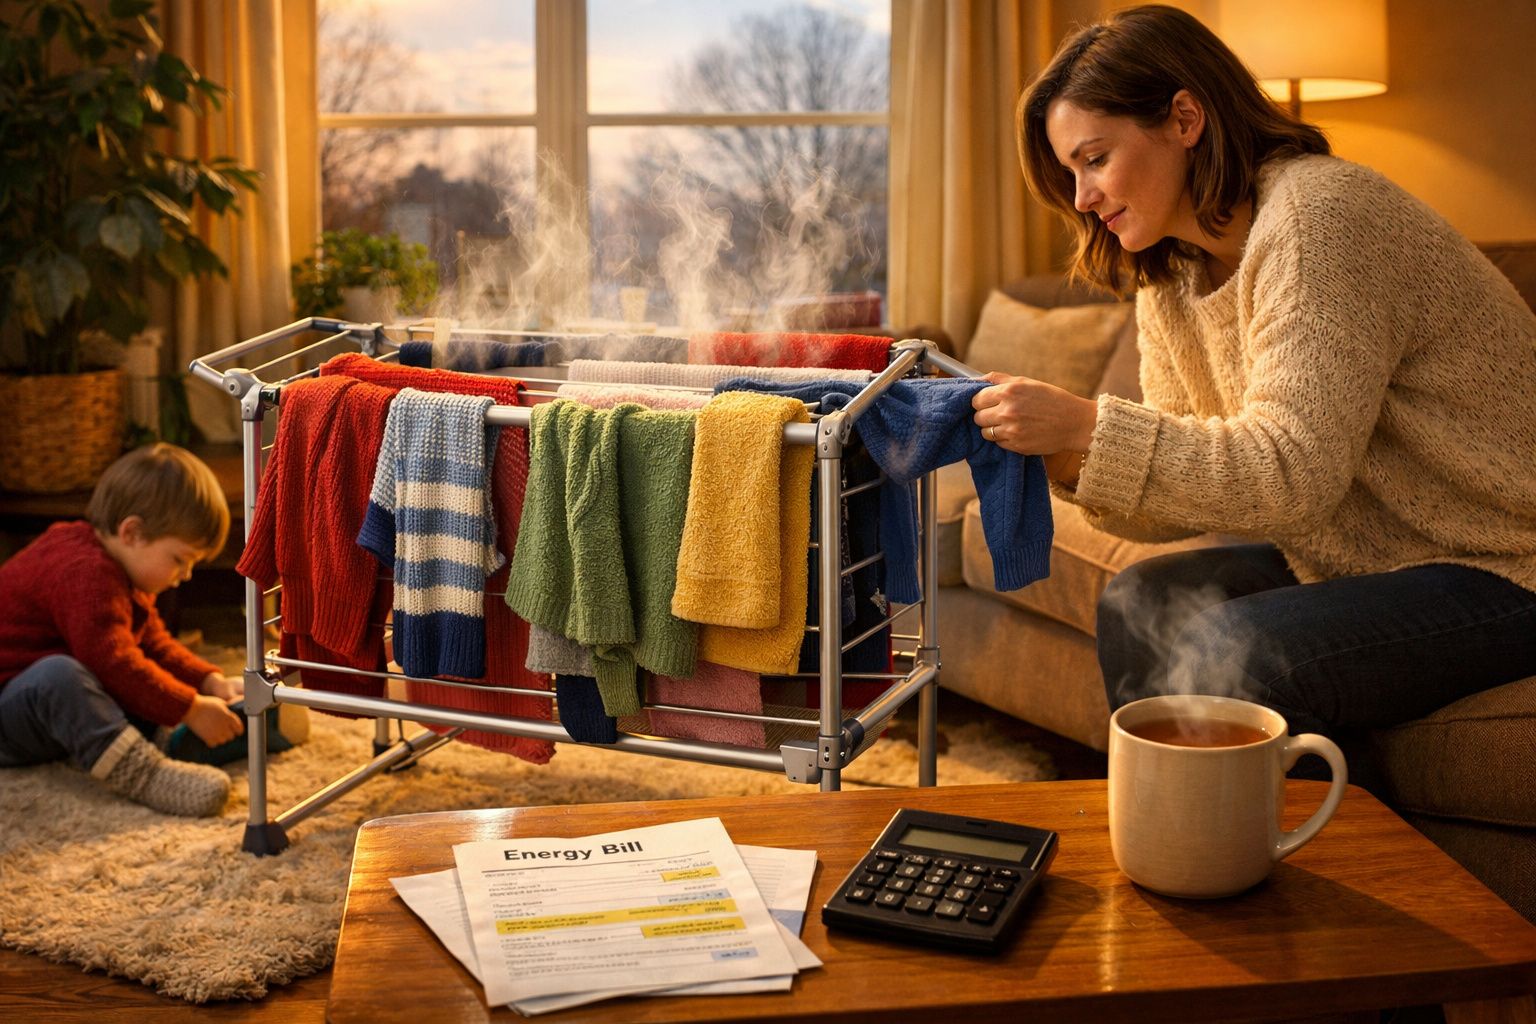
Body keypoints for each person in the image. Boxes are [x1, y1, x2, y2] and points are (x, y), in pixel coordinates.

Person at [970, 4, 1536, 776]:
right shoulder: (1170, 274)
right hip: (1370, 558)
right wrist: (1061, 455)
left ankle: (1313, 879)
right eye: (1071, 172)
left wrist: (1087, 425)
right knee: (1132, 606)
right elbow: (1189, 491)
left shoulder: (1320, 218)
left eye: (1094, 159)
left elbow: (1289, 477)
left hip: (1507, 560)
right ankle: (1185, 853)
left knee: (1240, 652)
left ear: (1184, 118)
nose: (1082, 198)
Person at [0, 443, 241, 816]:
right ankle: (146, 773)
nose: (186, 576)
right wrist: (189, 708)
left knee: (131, 668)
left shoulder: (120, 571)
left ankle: (176, 739)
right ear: (132, 532)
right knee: (62, 675)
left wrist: (208, 682)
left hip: (42, 718)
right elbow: (112, 662)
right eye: (180, 560)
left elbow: (154, 643)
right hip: (8, 717)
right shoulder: (85, 572)